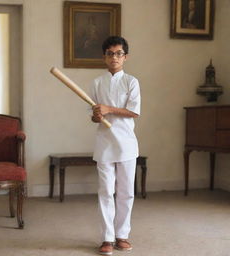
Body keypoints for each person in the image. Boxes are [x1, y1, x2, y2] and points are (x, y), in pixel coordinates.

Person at [90, 36, 141, 255]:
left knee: (126, 192)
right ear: (104, 56)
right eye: (110, 53)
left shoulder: (131, 82)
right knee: (105, 191)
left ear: (125, 57)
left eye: (118, 53)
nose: (114, 57)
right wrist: (97, 114)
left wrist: (109, 109)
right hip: (104, 145)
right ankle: (107, 238)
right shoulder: (96, 83)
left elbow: (134, 112)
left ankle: (122, 235)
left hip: (127, 145)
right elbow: (94, 117)